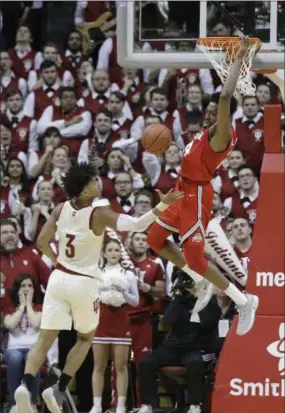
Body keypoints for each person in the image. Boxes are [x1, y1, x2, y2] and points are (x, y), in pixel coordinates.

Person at [14, 162, 183, 413]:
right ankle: (58, 389)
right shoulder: (98, 213)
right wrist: (163, 205)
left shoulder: (60, 209)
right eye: (93, 181)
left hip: (59, 278)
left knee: (44, 340)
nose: (98, 184)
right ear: (83, 190)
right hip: (83, 282)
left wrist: (58, 260)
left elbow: (41, 241)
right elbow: (137, 224)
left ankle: (24, 387)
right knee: (84, 339)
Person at [147, 36, 259, 336]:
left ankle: (243, 299)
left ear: (224, 116)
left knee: (197, 257)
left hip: (197, 194)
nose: (208, 113)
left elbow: (224, 98)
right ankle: (200, 276)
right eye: (207, 110)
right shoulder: (201, 133)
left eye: (213, 112)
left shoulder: (223, 136)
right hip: (182, 191)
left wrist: (239, 58)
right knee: (154, 239)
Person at [90, 239, 139, 413]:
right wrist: (102, 292)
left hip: (120, 321)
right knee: (98, 366)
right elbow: (90, 297)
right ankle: (96, 405)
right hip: (101, 321)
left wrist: (122, 291)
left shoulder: (129, 274)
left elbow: (135, 301)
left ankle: (120, 406)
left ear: (121, 253)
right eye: (110, 250)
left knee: (121, 366)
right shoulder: (97, 273)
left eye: (117, 250)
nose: (113, 253)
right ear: (104, 253)